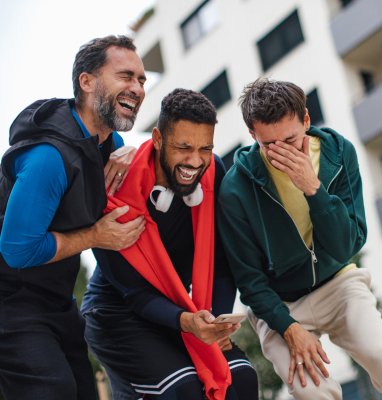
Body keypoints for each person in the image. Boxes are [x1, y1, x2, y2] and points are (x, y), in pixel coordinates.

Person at [217, 78, 382, 400]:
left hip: (337, 283)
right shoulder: (235, 189)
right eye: (269, 145)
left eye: (291, 140)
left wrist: (313, 189)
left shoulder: (338, 154)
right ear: (253, 135)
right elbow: (249, 281)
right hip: (280, 305)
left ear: (306, 120)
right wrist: (289, 329)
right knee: (312, 392)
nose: (282, 154)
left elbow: (348, 244)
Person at [82, 89, 258, 400]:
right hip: (115, 313)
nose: (195, 160)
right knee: (184, 390)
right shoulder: (115, 187)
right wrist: (189, 322)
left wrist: (211, 325)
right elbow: (134, 292)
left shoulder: (213, 173)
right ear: (159, 139)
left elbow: (221, 263)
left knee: (241, 380)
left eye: (205, 148)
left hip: (178, 311)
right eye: (184, 147)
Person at [0, 35, 147, 400]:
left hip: (58, 301)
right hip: (9, 301)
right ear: (87, 81)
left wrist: (137, 152)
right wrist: (95, 237)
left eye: (142, 80)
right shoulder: (49, 157)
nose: (138, 88)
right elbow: (16, 250)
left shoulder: (107, 145)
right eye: (125, 76)